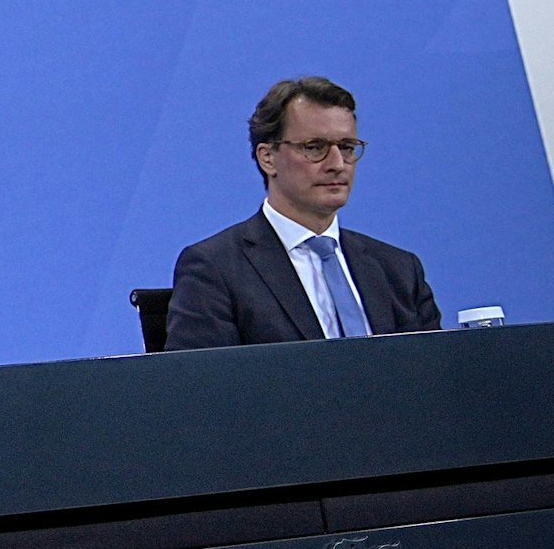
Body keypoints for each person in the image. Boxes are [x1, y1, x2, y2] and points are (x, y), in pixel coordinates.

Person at [165, 77, 439, 350]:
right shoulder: (216, 269)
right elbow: (201, 377)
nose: (337, 164)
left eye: (346, 147)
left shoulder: (399, 271)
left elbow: (434, 369)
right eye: (314, 147)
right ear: (267, 157)